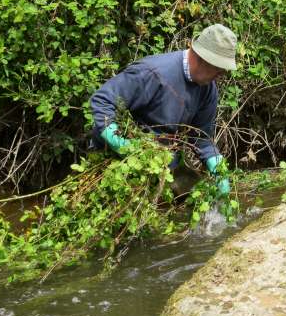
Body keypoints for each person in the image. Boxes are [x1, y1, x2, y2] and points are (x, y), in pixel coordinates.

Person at [89, 24, 237, 195]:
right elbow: (102, 100)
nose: (221, 75)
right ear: (202, 58)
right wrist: (119, 142)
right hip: (120, 159)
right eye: (218, 70)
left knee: (194, 198)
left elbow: (201, 137)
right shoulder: (153, 73)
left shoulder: (208, 90)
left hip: (164, 162)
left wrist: (215, 162)